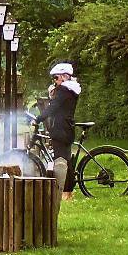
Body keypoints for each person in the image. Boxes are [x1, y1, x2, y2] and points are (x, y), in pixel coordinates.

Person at [33, 62, 81, 200]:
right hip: (66, 128)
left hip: (61, 129)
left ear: (65, 77)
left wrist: (38, 119)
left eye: (56, 78)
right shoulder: (70, 90)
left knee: (61, 162)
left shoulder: (64, 90)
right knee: (65, 160)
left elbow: (52, 107)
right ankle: (67, 192)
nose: (54, 81)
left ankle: (65, 193)